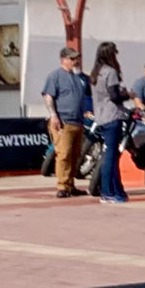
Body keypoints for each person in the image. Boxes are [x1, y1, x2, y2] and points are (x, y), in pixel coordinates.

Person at [41, 45, 93, 198]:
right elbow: (48, 96)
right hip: (63, 121)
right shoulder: (55, 76)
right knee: (63, 154)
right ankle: (62, 186)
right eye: (72, 58)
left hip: (78, 121)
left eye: (76, 58)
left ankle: (71, 185)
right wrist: (54, 115)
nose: (75, 61)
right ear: (63, 60)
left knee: (75, 155)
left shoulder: (79, 77)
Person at [89, 42, 132, 204]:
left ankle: (116, 190)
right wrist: (128, 95)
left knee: (110, 155)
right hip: (112, 115)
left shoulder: (95, 73)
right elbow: (114, 96)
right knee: (111, 156)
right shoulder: (111, 72)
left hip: (100, 117)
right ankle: (108, 191)